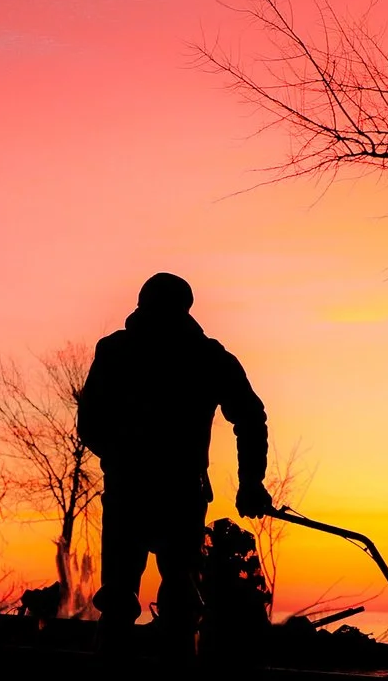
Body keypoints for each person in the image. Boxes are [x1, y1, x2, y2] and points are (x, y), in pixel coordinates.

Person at [76, 273, 270, 637]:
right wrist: (250, 483)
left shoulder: (117, 351)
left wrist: (119, 459)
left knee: (133, 597)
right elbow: (250, 418)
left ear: (141, 304)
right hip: (174, 491)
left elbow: (88, 424)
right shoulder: (208, 356)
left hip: (136, 490)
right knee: (170, 596)